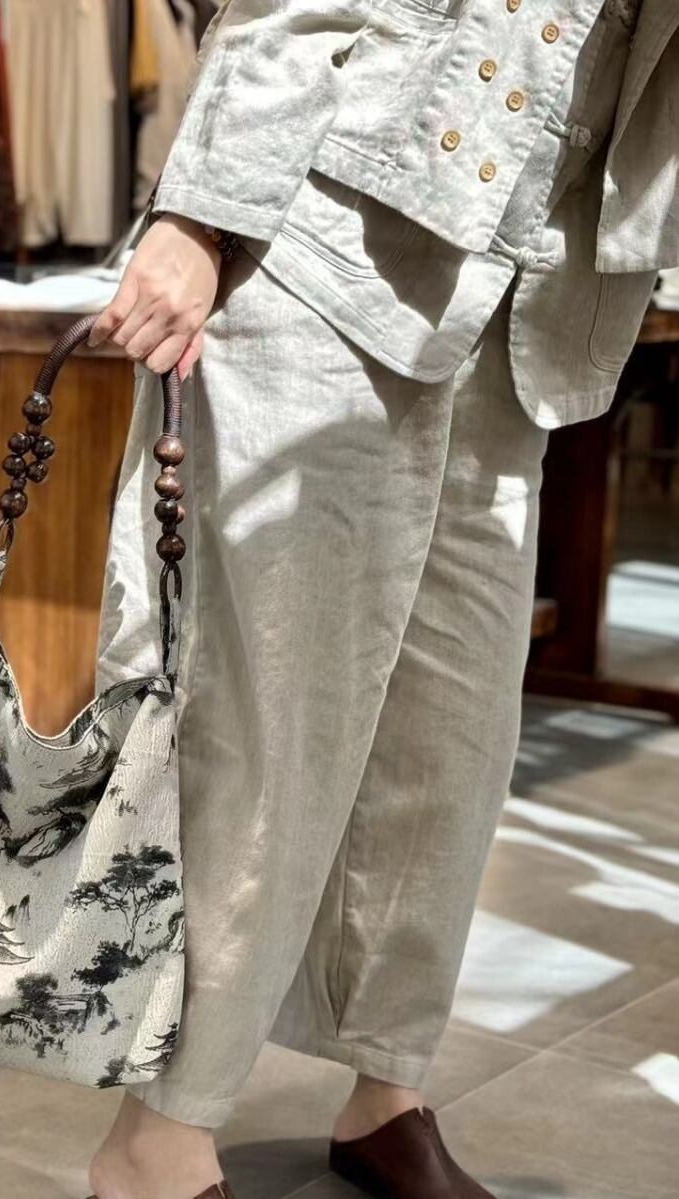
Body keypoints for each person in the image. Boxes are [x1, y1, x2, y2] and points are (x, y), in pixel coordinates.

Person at [85, 2, 679, 1197]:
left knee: (451, 733)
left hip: (528, 296)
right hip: (329, 248)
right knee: (272, 722)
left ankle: (383, 1081)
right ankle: (158, 1133)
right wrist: (198, 214)